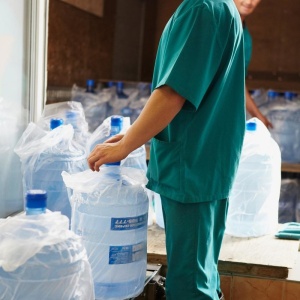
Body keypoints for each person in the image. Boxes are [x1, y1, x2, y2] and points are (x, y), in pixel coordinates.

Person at [88, 0, 245, 299]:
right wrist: (133, 135)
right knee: (200, 274)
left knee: (190, 286)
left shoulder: (201, 7)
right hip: (203, 162)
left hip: (193, 167)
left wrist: (126, 145)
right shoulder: (218, 6)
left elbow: (173, 93)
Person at [234, 0, 273, 128]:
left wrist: (258, 116)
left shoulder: (245, 40)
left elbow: (237, 82)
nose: (249, 1)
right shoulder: (211, 26)